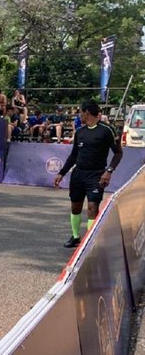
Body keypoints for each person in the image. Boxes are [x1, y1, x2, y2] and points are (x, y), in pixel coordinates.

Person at [54, 99, 123, 248]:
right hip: (78, 174)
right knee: (75, 206)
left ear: (86, 112)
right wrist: (62, 173)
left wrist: (109, 171)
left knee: (92, 207)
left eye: (80, 112)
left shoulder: (106, 130)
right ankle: (75, 236)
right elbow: (73, 155)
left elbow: (118, 153)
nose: (79, 115)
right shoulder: (80, 132)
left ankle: (90, 243)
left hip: (97, 175)